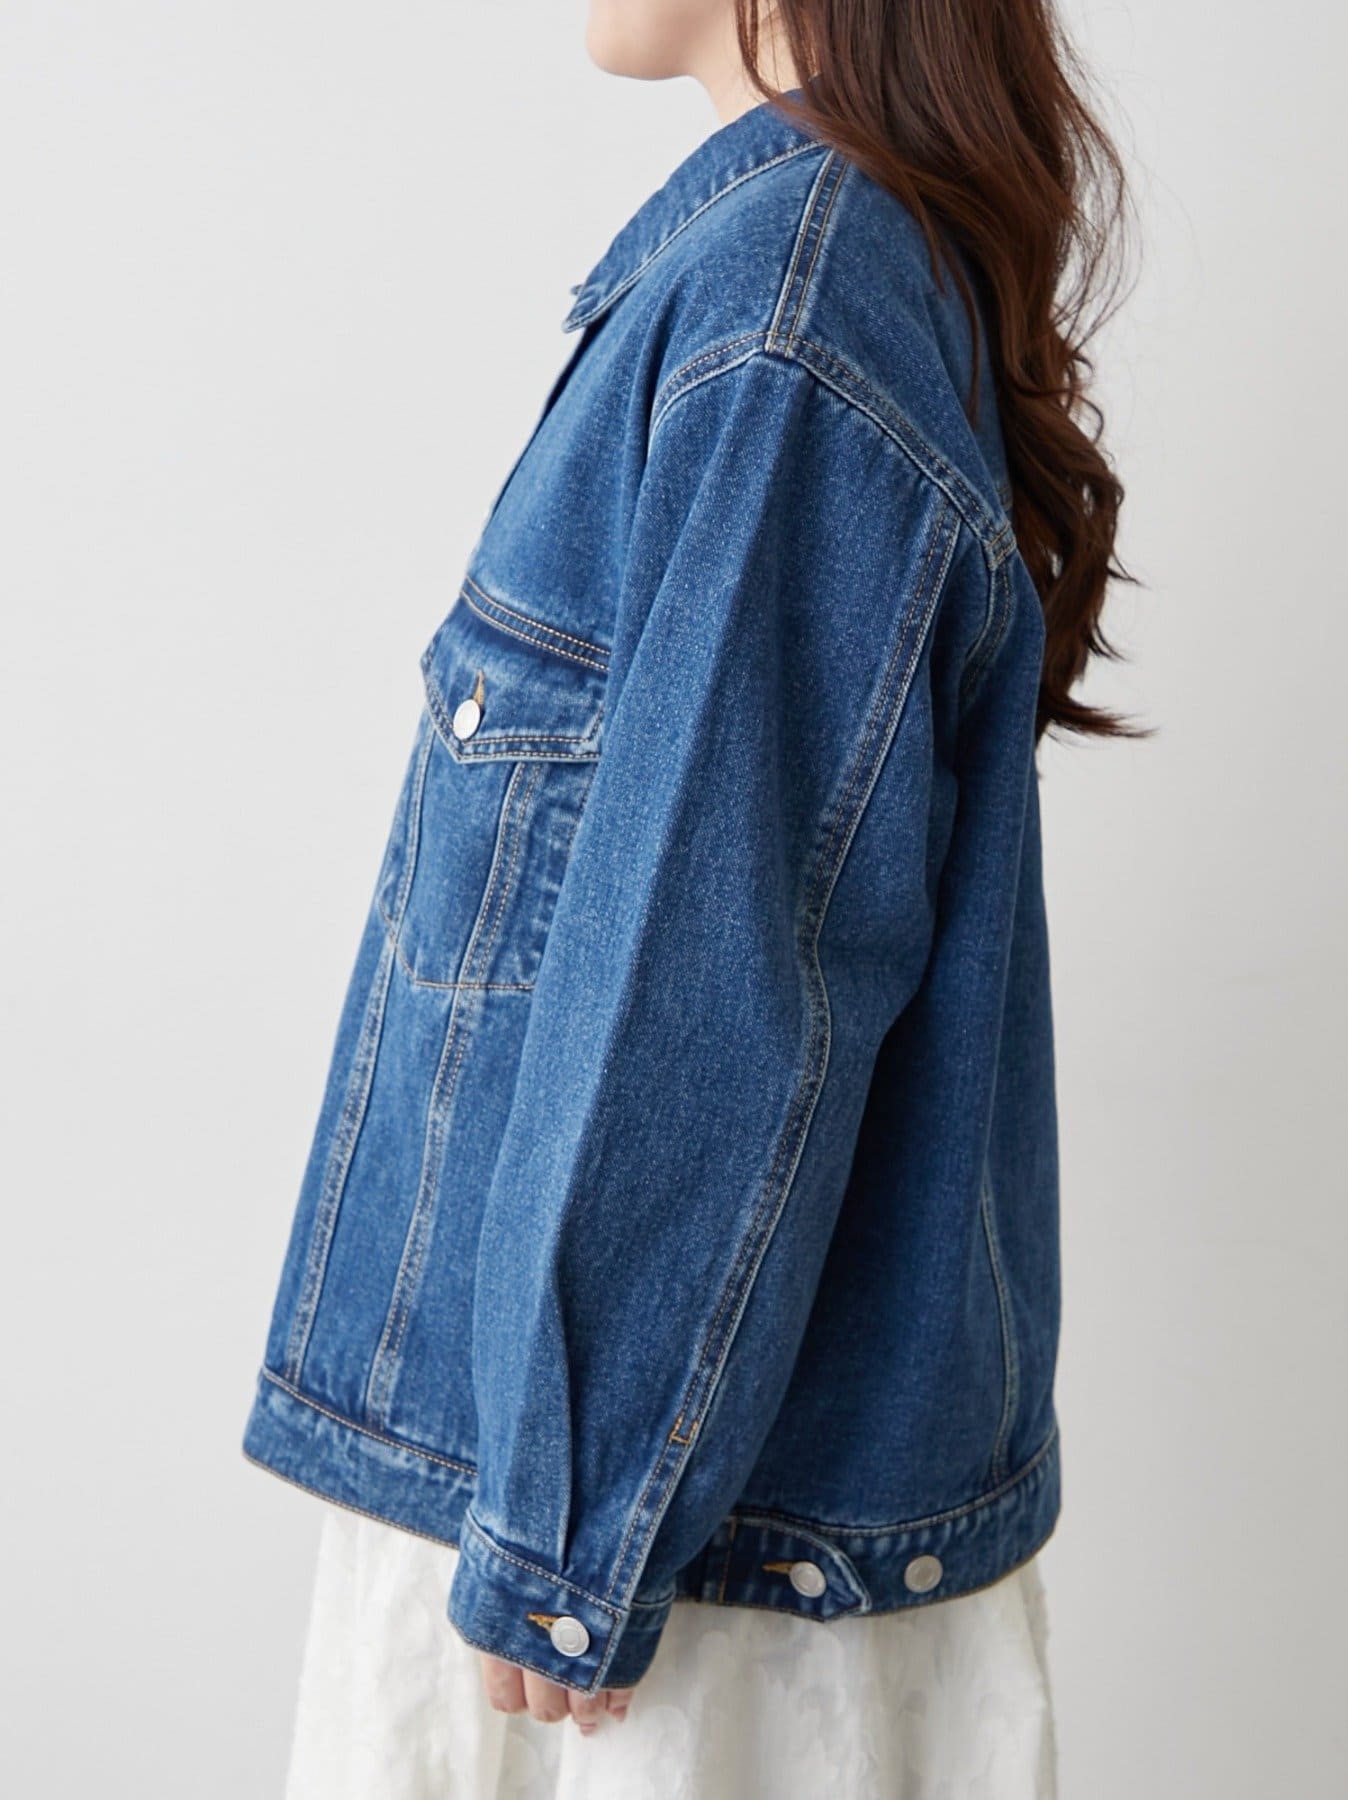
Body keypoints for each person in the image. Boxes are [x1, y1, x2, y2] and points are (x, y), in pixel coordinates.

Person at [242, 2, 1133, 1793]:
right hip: (653, 1510)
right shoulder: (800, 274)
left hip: (659, 1586)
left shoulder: (788, 313)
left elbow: (711, 971)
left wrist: (571, 1536)